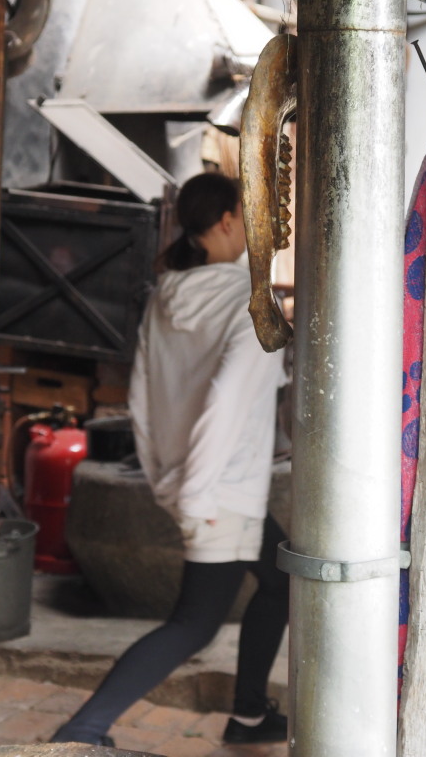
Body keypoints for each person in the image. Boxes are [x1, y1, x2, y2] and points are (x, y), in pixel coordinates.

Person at [51, 172, 289, 747]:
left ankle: (249, 714)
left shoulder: (167, 296)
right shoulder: (252, 305)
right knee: (193, 625)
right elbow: (223, 406)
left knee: (281, 582)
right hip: (219, 492)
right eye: (248, 214)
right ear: (228, 221)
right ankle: (82, 730)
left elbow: (141, 396)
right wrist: (197, 493)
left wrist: (165, 478)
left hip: (204, 482)